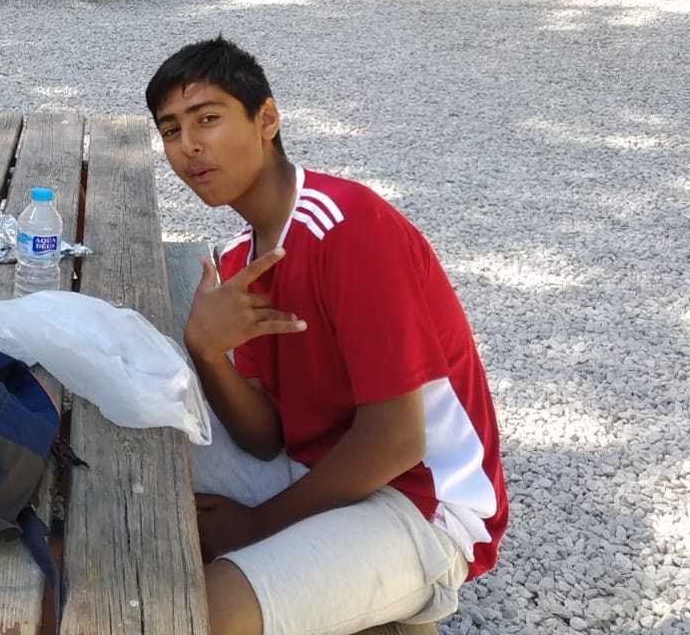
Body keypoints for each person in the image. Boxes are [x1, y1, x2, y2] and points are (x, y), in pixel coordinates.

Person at [146, 37, 508, 635]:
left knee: (197, 613)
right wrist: (206, 351)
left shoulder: (348, 226)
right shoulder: (240, 258)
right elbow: (264, 436)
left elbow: (397, 442)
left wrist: (257, 526)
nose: (189, 146)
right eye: (170, 130)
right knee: (133, 454)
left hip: (422, 503)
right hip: (313, 466)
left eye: (207, 118)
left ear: (266, 119)